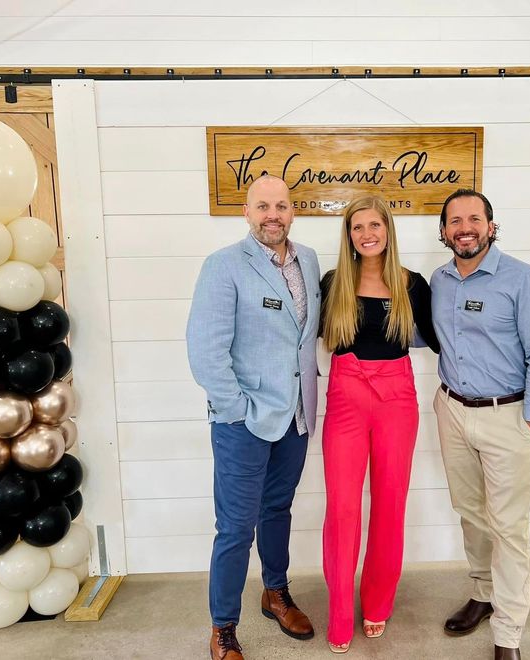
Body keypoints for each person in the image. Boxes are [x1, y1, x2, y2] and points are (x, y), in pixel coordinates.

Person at [187, 175, 321, 660]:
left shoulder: (308, 259)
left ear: (292, 212)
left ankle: (275, 592)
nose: (273, 215)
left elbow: (303, 338)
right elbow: (206, 351)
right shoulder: (223, 267)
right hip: (243, 422)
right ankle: (223, 627)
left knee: (277, 511)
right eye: (263, 206)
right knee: (236, 528)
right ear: (246, 213)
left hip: (297, 417)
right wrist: (236, 411)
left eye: (281, 206)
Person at [430, 189, 530, 660]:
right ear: (444, 231)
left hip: (509, 414)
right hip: (452, 409)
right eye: (455, 220)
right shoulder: (439, 280)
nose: (465, 228)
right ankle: (483, 594)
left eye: (475, 219)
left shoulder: (524, 280)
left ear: (491, 225)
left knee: (509, 528)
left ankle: (509, 633)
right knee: (470, 512)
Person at [320, 195, 440, 654]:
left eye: (375, 225)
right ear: (348, 235)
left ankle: (377, 603)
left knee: (390, 504)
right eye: (357, 227)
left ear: (389, 230)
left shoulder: (413, 284)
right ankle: (338, 614)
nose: (367, 234)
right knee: (343, 509)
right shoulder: (333, 282)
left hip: (396, 401)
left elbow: (441, 337)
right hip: (346, 400)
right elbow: (295, 333)